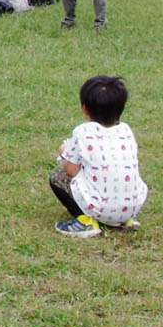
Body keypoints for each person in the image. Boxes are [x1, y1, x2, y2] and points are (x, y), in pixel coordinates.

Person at [49, 75, 147, 238]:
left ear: (85, 109)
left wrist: (63, 152)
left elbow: (71, 169)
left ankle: (85, 221)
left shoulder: (82, 132)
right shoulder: (126, 131)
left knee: (58, 177)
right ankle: (127, 219)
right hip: (133, 206)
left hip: (101, 207)